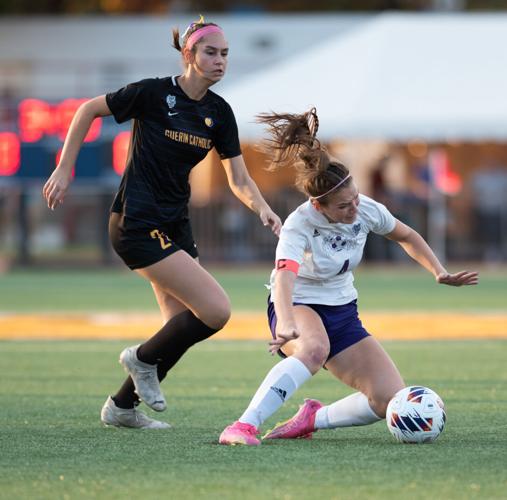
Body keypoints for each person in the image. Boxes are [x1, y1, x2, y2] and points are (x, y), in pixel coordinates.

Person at [42, 16, 281, 429]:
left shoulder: (219, 113)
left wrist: (262, 207)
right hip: (135, 220)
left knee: (176, 328)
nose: (220, 61)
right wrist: (65, 169)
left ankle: (121, 407)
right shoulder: (153, 93)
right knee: (216, 311)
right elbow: (87, 110)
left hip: (175, 223)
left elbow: (239, 179)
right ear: (188, 54)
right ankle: (139, 359)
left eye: (225, 54)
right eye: (211, 52)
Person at [219, 108, 478, 446]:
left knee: (387, 400)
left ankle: (313, 418)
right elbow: (284, 279)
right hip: (300, 302)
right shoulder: (298, 226)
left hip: (342, 309)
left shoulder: (364, 207)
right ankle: (242, 426)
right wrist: (284, 322)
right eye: (343, 206)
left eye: (355, 199)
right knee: (313, 349)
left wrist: (439, 271)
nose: (354, 209)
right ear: (317, 206)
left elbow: (407, 236)